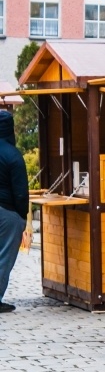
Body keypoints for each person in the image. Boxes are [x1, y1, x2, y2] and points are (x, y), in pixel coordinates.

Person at [0, 110, 28, 313]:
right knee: (4, 256)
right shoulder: (13, 155)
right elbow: (20, 192)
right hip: (7, 211)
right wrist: (22, 216)